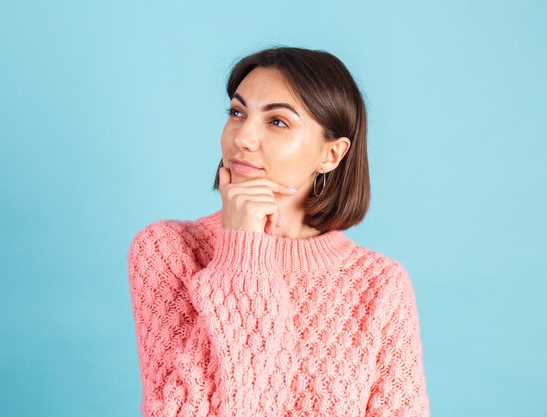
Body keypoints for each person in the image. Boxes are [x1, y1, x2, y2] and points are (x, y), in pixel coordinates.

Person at [127, 46, 430, 417]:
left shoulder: (380, 285)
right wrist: (240, 253)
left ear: (331, 155)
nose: (243, 138)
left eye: (278, 122)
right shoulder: (168, 250)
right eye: (238, 113)